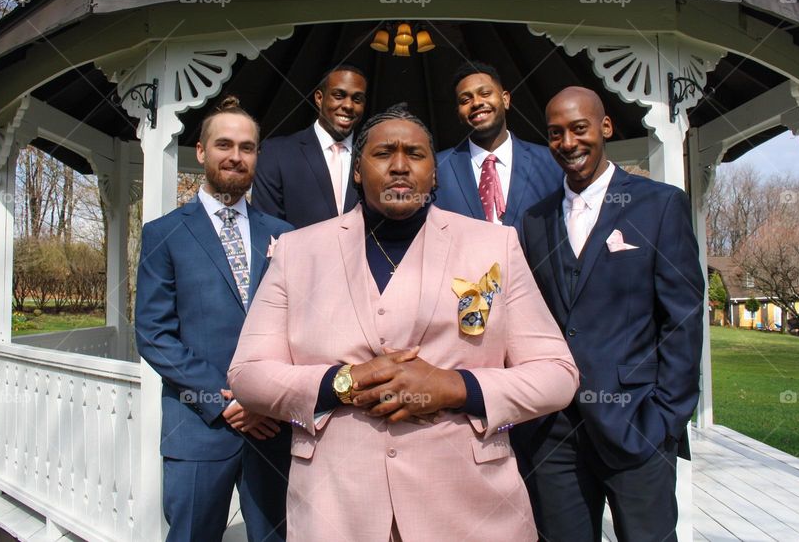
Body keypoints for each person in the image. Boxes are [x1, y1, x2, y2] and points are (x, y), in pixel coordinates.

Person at [228, 105, 579, 541]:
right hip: (338, 508)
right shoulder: (297, 252)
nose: (399, 166)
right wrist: (342, 382)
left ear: (434, 174)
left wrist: (456, 387)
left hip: (470, 509)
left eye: (414, 154)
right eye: (382, 154)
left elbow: (557, 374)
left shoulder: (494, 246)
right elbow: (247, 374)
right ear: (357, 171)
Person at [518, 86, 705, 542]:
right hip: (556, 433)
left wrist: (666, 419)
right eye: (555, 133)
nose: (567, 143)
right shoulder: (534, 219)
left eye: (579, 129)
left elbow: (683, 318)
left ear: (605, 127)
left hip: (637, 422)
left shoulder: (658, 205)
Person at [135, 97, 294, 542]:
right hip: (198, 428)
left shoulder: (285, 235)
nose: (236, 156)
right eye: (224, 144)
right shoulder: (163, 234)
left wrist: (264, 398)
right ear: (201, 152)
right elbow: (154, 334)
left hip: (272, 428)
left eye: (247, 147)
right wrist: (224, 401)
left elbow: (301, 328)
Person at [434, 61, 562, 229]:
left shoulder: (550, 162)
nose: (477, 103)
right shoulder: (438, 169)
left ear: (505, 99)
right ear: (458, 113)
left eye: (485, 93)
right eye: (466, 100)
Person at [252, 65, 367, 228]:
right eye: (339, 95)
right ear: (319, 98)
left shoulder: (373, 157)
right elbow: (267, 227)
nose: (348, 105)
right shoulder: (276, 153)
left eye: (357, 99)